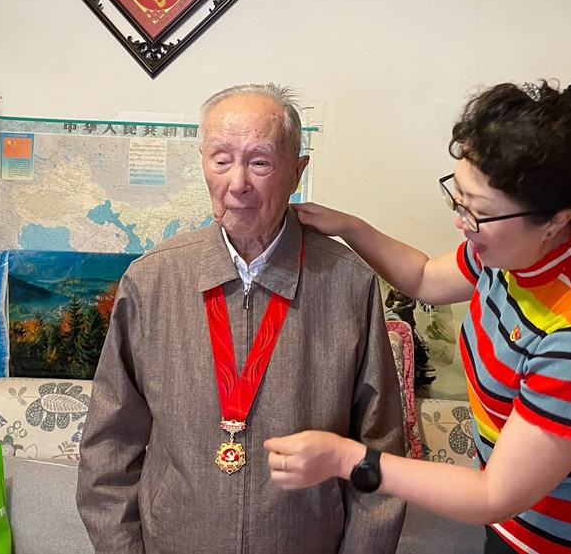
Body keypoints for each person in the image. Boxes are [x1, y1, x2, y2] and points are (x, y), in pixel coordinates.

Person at [264, 74, 571, 554]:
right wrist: (350, 227)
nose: (460, 220)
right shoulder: (517, 253)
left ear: (556, 220)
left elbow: (494, 496)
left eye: (477, 211)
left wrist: (347, 459)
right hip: (513, 525)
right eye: (459, 196)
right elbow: (425, 277)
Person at [76, 83, 407, 554]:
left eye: (260, 162)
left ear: (297, 172)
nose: (237, 183)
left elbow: (381, 452)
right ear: (203, 163)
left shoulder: (348, 283)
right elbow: (108, 449)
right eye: (221, 159)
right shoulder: (152, 280)